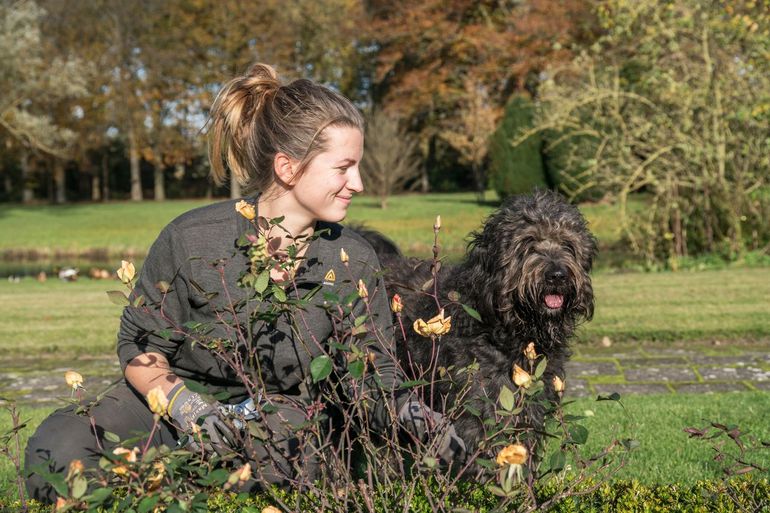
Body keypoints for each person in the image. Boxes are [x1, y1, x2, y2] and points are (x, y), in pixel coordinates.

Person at [24, 63, 465, 503]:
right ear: (288, 168)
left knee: (291, 454)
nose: (359, 184)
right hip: (173, 404)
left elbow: (371, 371)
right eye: (344, 168)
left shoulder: (353, 257)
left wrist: (413, 413)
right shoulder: (192, 238)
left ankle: (175, 488)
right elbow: (139, 345)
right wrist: (188, 408)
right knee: (56, 448)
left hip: (282, 419)